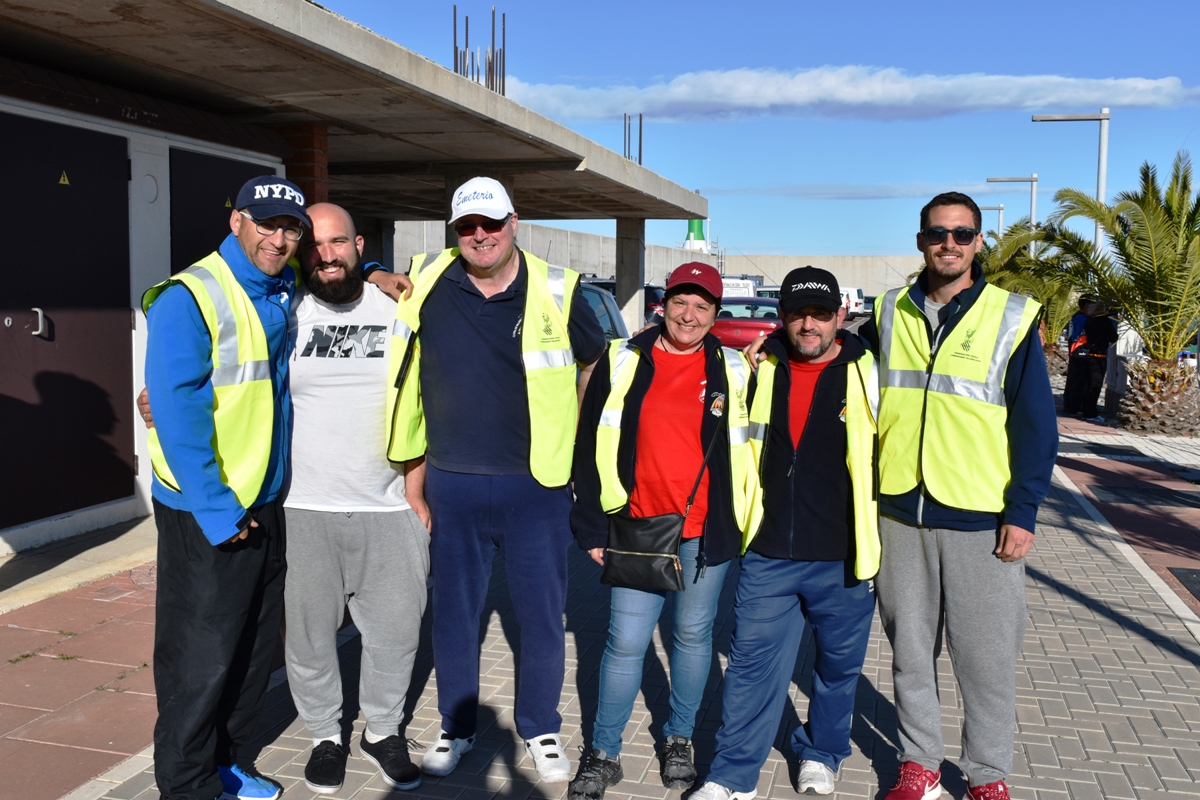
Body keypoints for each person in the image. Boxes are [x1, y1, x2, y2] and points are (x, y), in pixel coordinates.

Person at [384, 177, 606, 782]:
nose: (480, 235)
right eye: (467, 226)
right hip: (452, 481)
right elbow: (349, 273)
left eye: (490, 223)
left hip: (536, 487)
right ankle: (456, 727)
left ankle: (541, 728)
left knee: (542, 615)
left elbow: (593, 364)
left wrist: (575, 441)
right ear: (455, 231)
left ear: (513, 223)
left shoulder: (558, 289)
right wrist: (375, 270)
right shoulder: (427, 278)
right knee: (455, 616)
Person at [862, 192, 1058, 800]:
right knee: (910, 653)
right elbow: (843, 366)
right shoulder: (888, 310)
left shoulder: (1010, 316)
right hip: (900, 512)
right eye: (937, 233)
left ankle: (986, 774)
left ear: (978, 242)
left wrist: (1022, 512)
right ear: (921, 240)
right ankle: (919, 764)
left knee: (986, 659)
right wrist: (773, 348)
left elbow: (1035, 427)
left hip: (981, 519)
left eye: (962, 233)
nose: (949, 244)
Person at [142, 175, 309, 800]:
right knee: (199, 656)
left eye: (290, 229)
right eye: (265, 224)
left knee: (252, 648)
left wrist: (374, 270)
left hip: (262, 499)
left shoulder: (280, 285)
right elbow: (177, 411)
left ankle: (227, 763)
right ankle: (186, 785)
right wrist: (217, 510)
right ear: (236, 221)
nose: (278, 239)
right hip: (208, 509)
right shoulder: (189, 296)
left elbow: (339, 271)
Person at [567, 263, 756, 800]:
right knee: (625, 642)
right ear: (663, 304)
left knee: (692, 637)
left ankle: (679, 738)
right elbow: (589, 441)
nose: (688, 315)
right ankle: (604, 752)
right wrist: (591, 527)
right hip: (636, 527)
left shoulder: (734, 369)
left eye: (702, 306)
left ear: (715, 314)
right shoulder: (623, 359)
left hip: (704, 533)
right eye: (680, 302)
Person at [692, 267, 879, 800]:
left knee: (837, 670)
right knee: (751, 668)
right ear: (783, 317)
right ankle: (732, 776)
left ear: (840, 317)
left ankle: (821, 753)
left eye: (820, 314)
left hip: (844, 557)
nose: (808, 325)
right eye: (798, 314)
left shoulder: (870, 373)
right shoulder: (759, 368)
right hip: (769, 552)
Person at [284, 203, 429, 793]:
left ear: (359, 245)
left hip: (388, 506)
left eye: (338, 242)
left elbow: (424, 401)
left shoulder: (399, 308)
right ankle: (325, 735)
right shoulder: (284, 311)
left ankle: (383, 730)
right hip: (302, 506)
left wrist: (416, 492)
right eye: (314, 245)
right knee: (310, 637)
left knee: (396, 634)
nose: (327, 255)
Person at [1075, 303, 1118, 423]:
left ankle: (1085, 409)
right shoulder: (1105, 321)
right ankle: (1090, 413)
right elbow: (1113, 338)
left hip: (1088, 354)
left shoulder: (1090, 319)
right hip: (1099, 355)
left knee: (1088, 383)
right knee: (1095, 385)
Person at [1061, 296, 1093, 416]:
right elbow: (1078, 335)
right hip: (1079, 350)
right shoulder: (1081, 318)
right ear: (1086, 305)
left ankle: (1073, 404)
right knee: (1078, 379)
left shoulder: (1082, 316)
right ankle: (1073, 406)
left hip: (1078, 349)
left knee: (1076, 378)